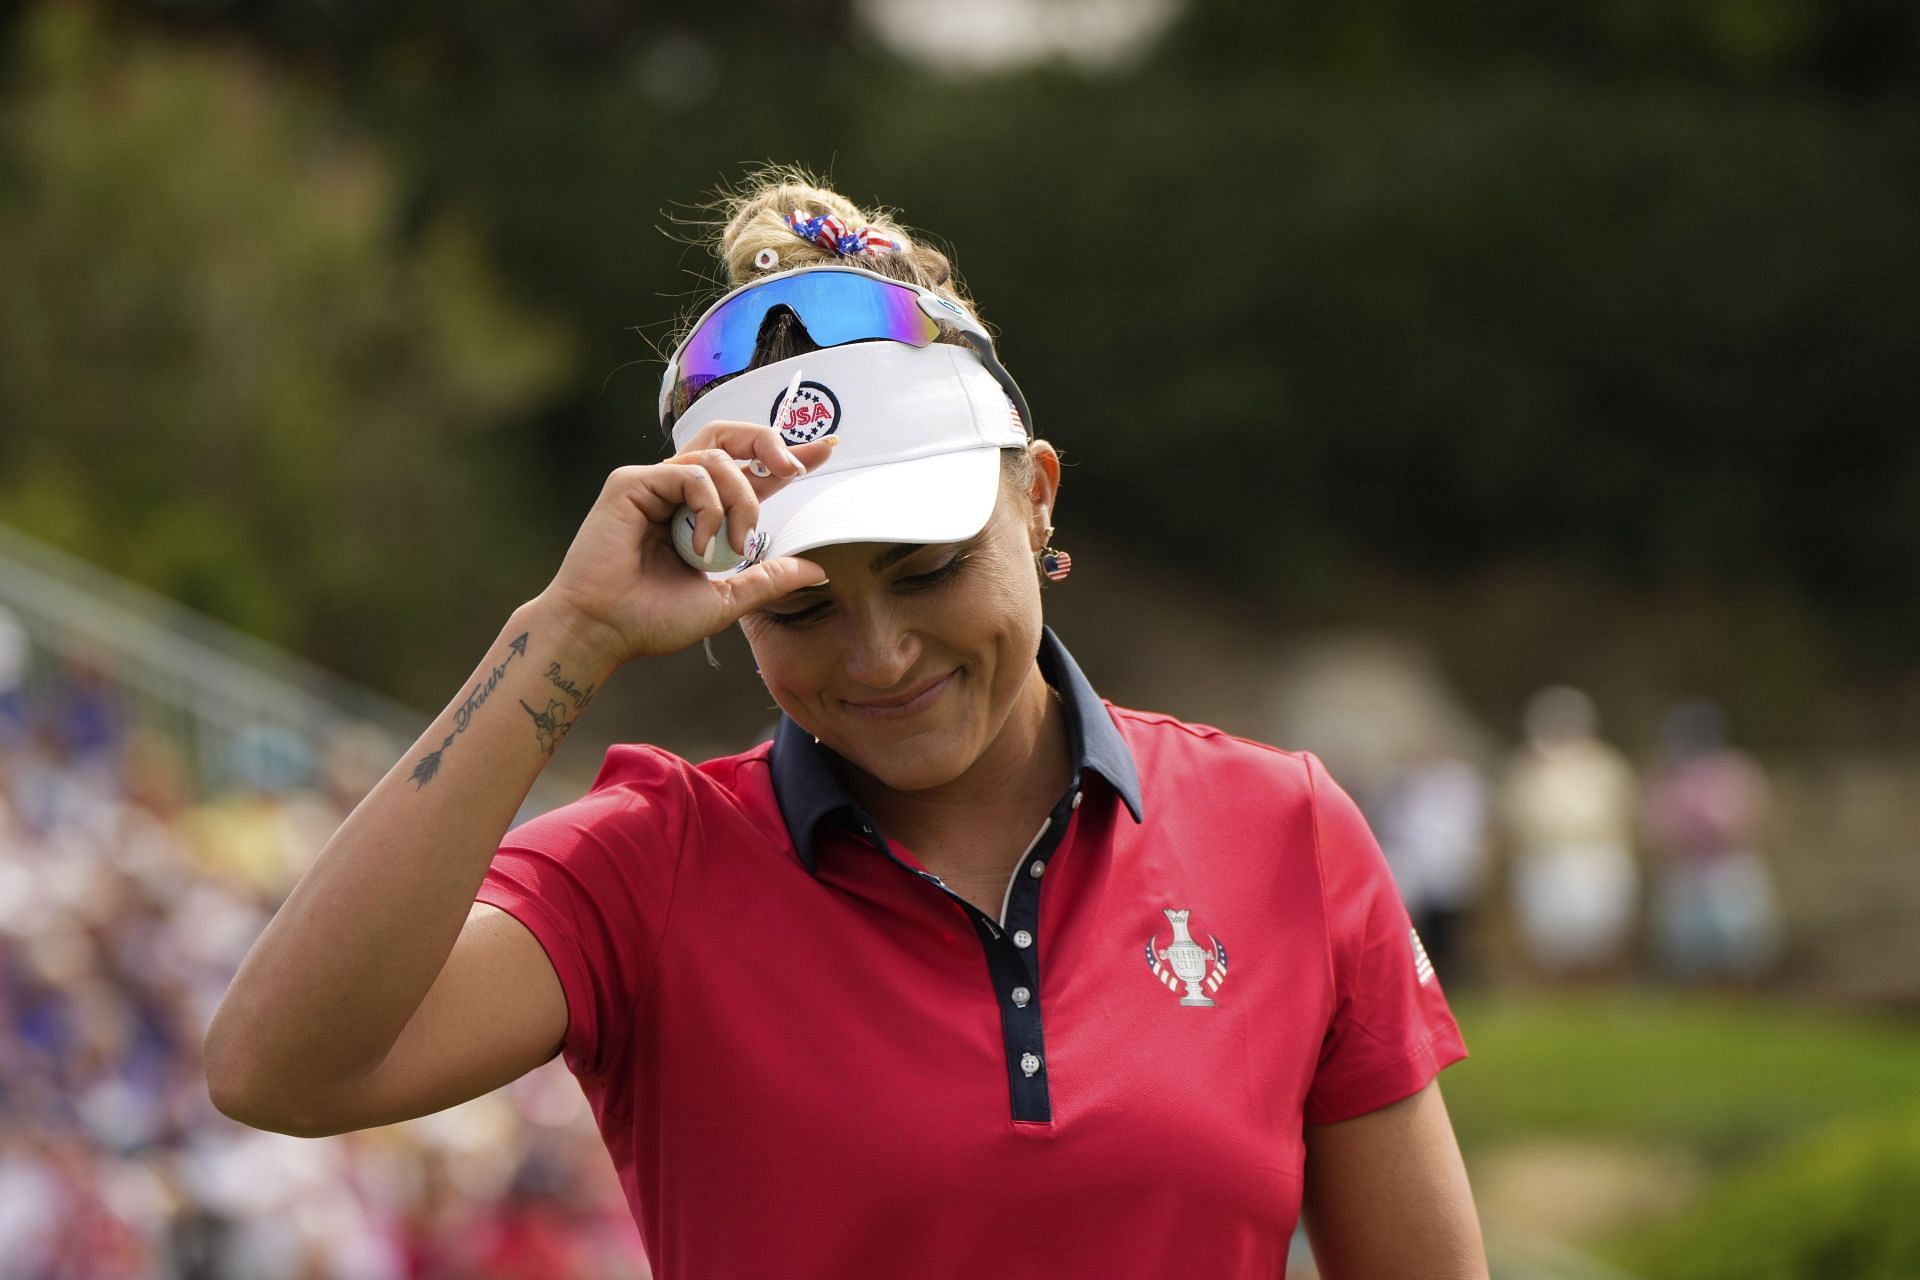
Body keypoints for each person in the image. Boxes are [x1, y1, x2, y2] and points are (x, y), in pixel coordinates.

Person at [205, 173, 1486, 1278]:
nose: (879, 655)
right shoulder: (649, 871)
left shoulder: (1285, 831)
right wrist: (566, 635)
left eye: (927, 569)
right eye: (804, 604)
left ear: (1034, 500)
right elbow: (278, 1068)